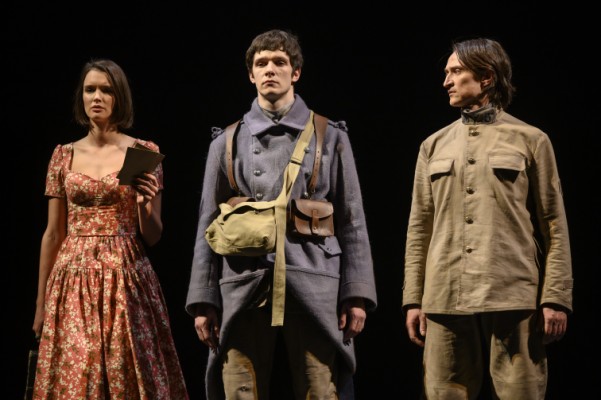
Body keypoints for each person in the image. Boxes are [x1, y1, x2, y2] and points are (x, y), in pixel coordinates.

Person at [186, 29, 377, 400]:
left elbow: (353, 222)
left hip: (313, 280)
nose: (270, 69)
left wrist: (356, 294)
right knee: (240, 388)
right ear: (251, 75)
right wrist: (203, 300)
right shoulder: (226, 141)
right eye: (261, 63)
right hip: (244, 281)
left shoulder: (330, 136)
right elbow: (206, 226)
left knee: (320, 387)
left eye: (279, 62)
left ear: (296, 72)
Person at [402, 37, 573, 399]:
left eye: (455, 71)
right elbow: (419, 228)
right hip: (444, 291)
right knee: (444, 392)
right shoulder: (433, 145)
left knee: (521, 392)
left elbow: (554, 224)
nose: (446, 81)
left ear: (486, 77)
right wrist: (414, 299)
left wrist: (555, 296)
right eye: (446, 73)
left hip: (512, 290)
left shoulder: (531, 140)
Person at [31, 59, 189, 399]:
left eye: (106, 90)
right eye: (90, 90)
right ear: (81, 96)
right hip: (72, 278)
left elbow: (153, 235)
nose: (97, 97)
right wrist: (41, 304)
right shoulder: (63, 155)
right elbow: (53, 234)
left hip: (125, 277)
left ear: (120, 97)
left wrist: (144, 203)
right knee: (77, 377)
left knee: (125, 372)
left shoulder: (142, 152)